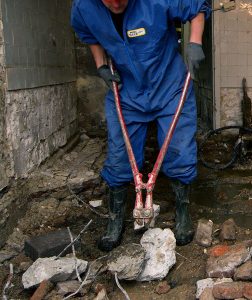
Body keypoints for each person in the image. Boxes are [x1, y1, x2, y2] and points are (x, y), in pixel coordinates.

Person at [71, 0, 211, 251]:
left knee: (179, 150)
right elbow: (88, 33)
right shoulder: (84, 7)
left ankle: (182, 212)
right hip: (127, 92)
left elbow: (196, 7)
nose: (115, 4)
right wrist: (101, 65)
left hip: (170, 87)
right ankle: (115, 221)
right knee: (119, 156)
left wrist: (195, 43)